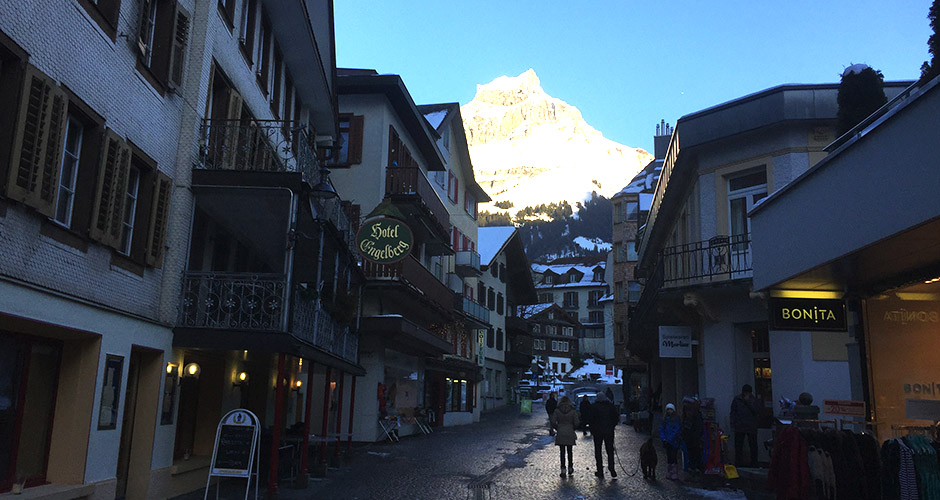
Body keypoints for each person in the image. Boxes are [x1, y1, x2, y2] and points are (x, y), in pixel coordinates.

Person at [730, 384, 761, 468]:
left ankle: (754, 462)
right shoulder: (737, 399)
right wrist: (733, 424)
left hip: (751, 425)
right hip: (740, 425)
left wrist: (748, 403)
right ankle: (738, 462)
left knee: (753, 445)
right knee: (739, 445)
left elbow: (756, 411)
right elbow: (733, 412)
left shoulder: (754, 400)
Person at [590, 392, 620, 478]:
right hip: (609, 432)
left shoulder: (594, 407)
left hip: (597, 432)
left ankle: (600, 470)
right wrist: (611, 427)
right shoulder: (610, 406)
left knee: (598, 451)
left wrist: (593, 430)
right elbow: (616, 418)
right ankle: (612, 468)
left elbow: (591, 420)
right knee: (610, 451)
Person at [551, 396, 580, 477]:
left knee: (562, 452)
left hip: (561, 432)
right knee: (570, 451)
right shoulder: (572, 411)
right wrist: (572, 428)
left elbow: (553, 422)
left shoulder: (557, 410)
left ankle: (563, 469)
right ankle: (570, 467)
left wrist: (558, 428)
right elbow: (577, 422)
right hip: (570, 431)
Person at [681, 397, 704, 473]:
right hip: (689, 438)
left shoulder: (695, 415)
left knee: (695, 454)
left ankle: (695, 469)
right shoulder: (687, 414)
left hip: (694, 438)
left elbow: (698, 427)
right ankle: (692, 469)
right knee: (691, 454)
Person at [659, 403, 682, 480]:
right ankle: (670, 471)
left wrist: (671, 438)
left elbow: (677, 429)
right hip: (667, 441)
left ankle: (674, 472)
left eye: (670, 409)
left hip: (674, 441)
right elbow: (661, 429)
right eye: (668, 409)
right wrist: (664, 438)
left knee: (674, 456)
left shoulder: (676, 419)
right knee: (669, 456)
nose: (669, 411)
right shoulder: (665, 420)